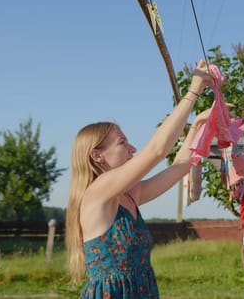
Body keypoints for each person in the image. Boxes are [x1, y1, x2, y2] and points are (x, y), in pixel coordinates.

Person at [65, 59, 213, 298]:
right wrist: (193, 91)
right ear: (97, 156)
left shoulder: (130, 196)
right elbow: (157, 150)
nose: (132, 149)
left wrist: (198, 126)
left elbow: (180, 167)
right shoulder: (98, 191)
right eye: (122, 143)